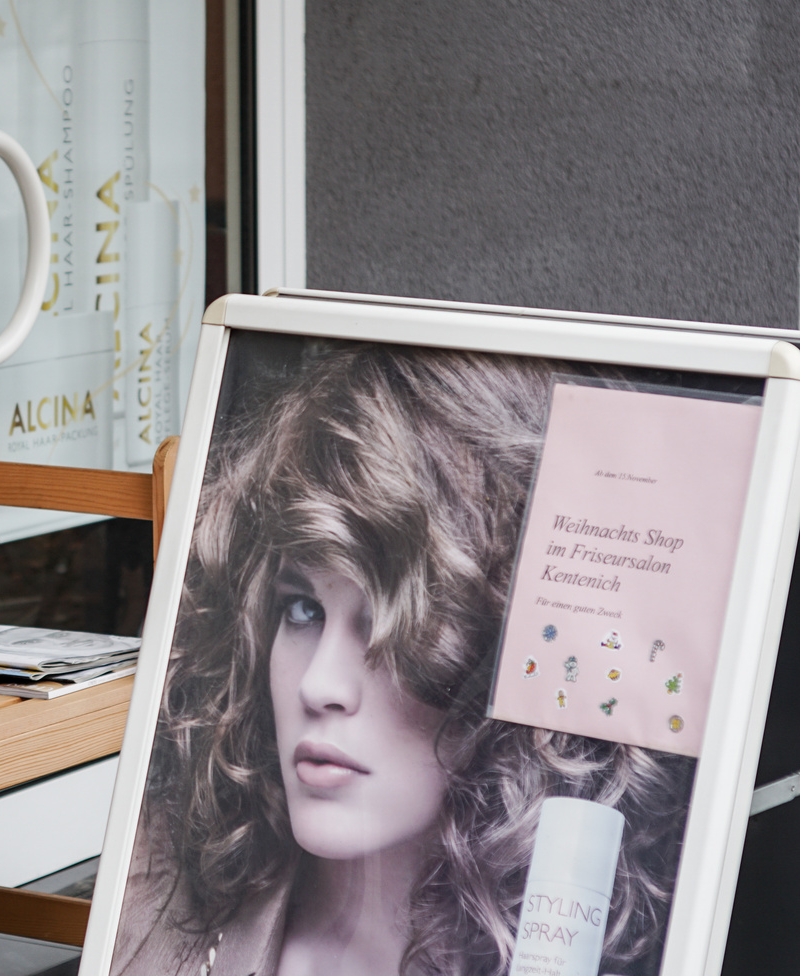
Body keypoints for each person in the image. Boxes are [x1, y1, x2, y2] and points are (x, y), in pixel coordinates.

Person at [110, 344, 695, 976]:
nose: (320, 685)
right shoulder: (152, 911)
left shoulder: (598, 946)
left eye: (399, 625)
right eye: (302, 610)